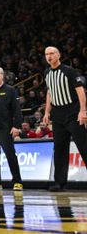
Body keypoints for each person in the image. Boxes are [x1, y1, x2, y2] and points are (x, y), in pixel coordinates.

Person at [42, 46, 87, 192]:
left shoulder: (69, 71)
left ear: (59, 55)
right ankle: (59, 183)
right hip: (58, 114)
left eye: (52, 53)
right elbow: (50, 92)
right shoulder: (47, 72)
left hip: (73, 111)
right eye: (47, 54)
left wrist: (83, 110)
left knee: (83, 145)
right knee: (60, 149)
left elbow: (80, 91)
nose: (49, 56)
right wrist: (47, 112)